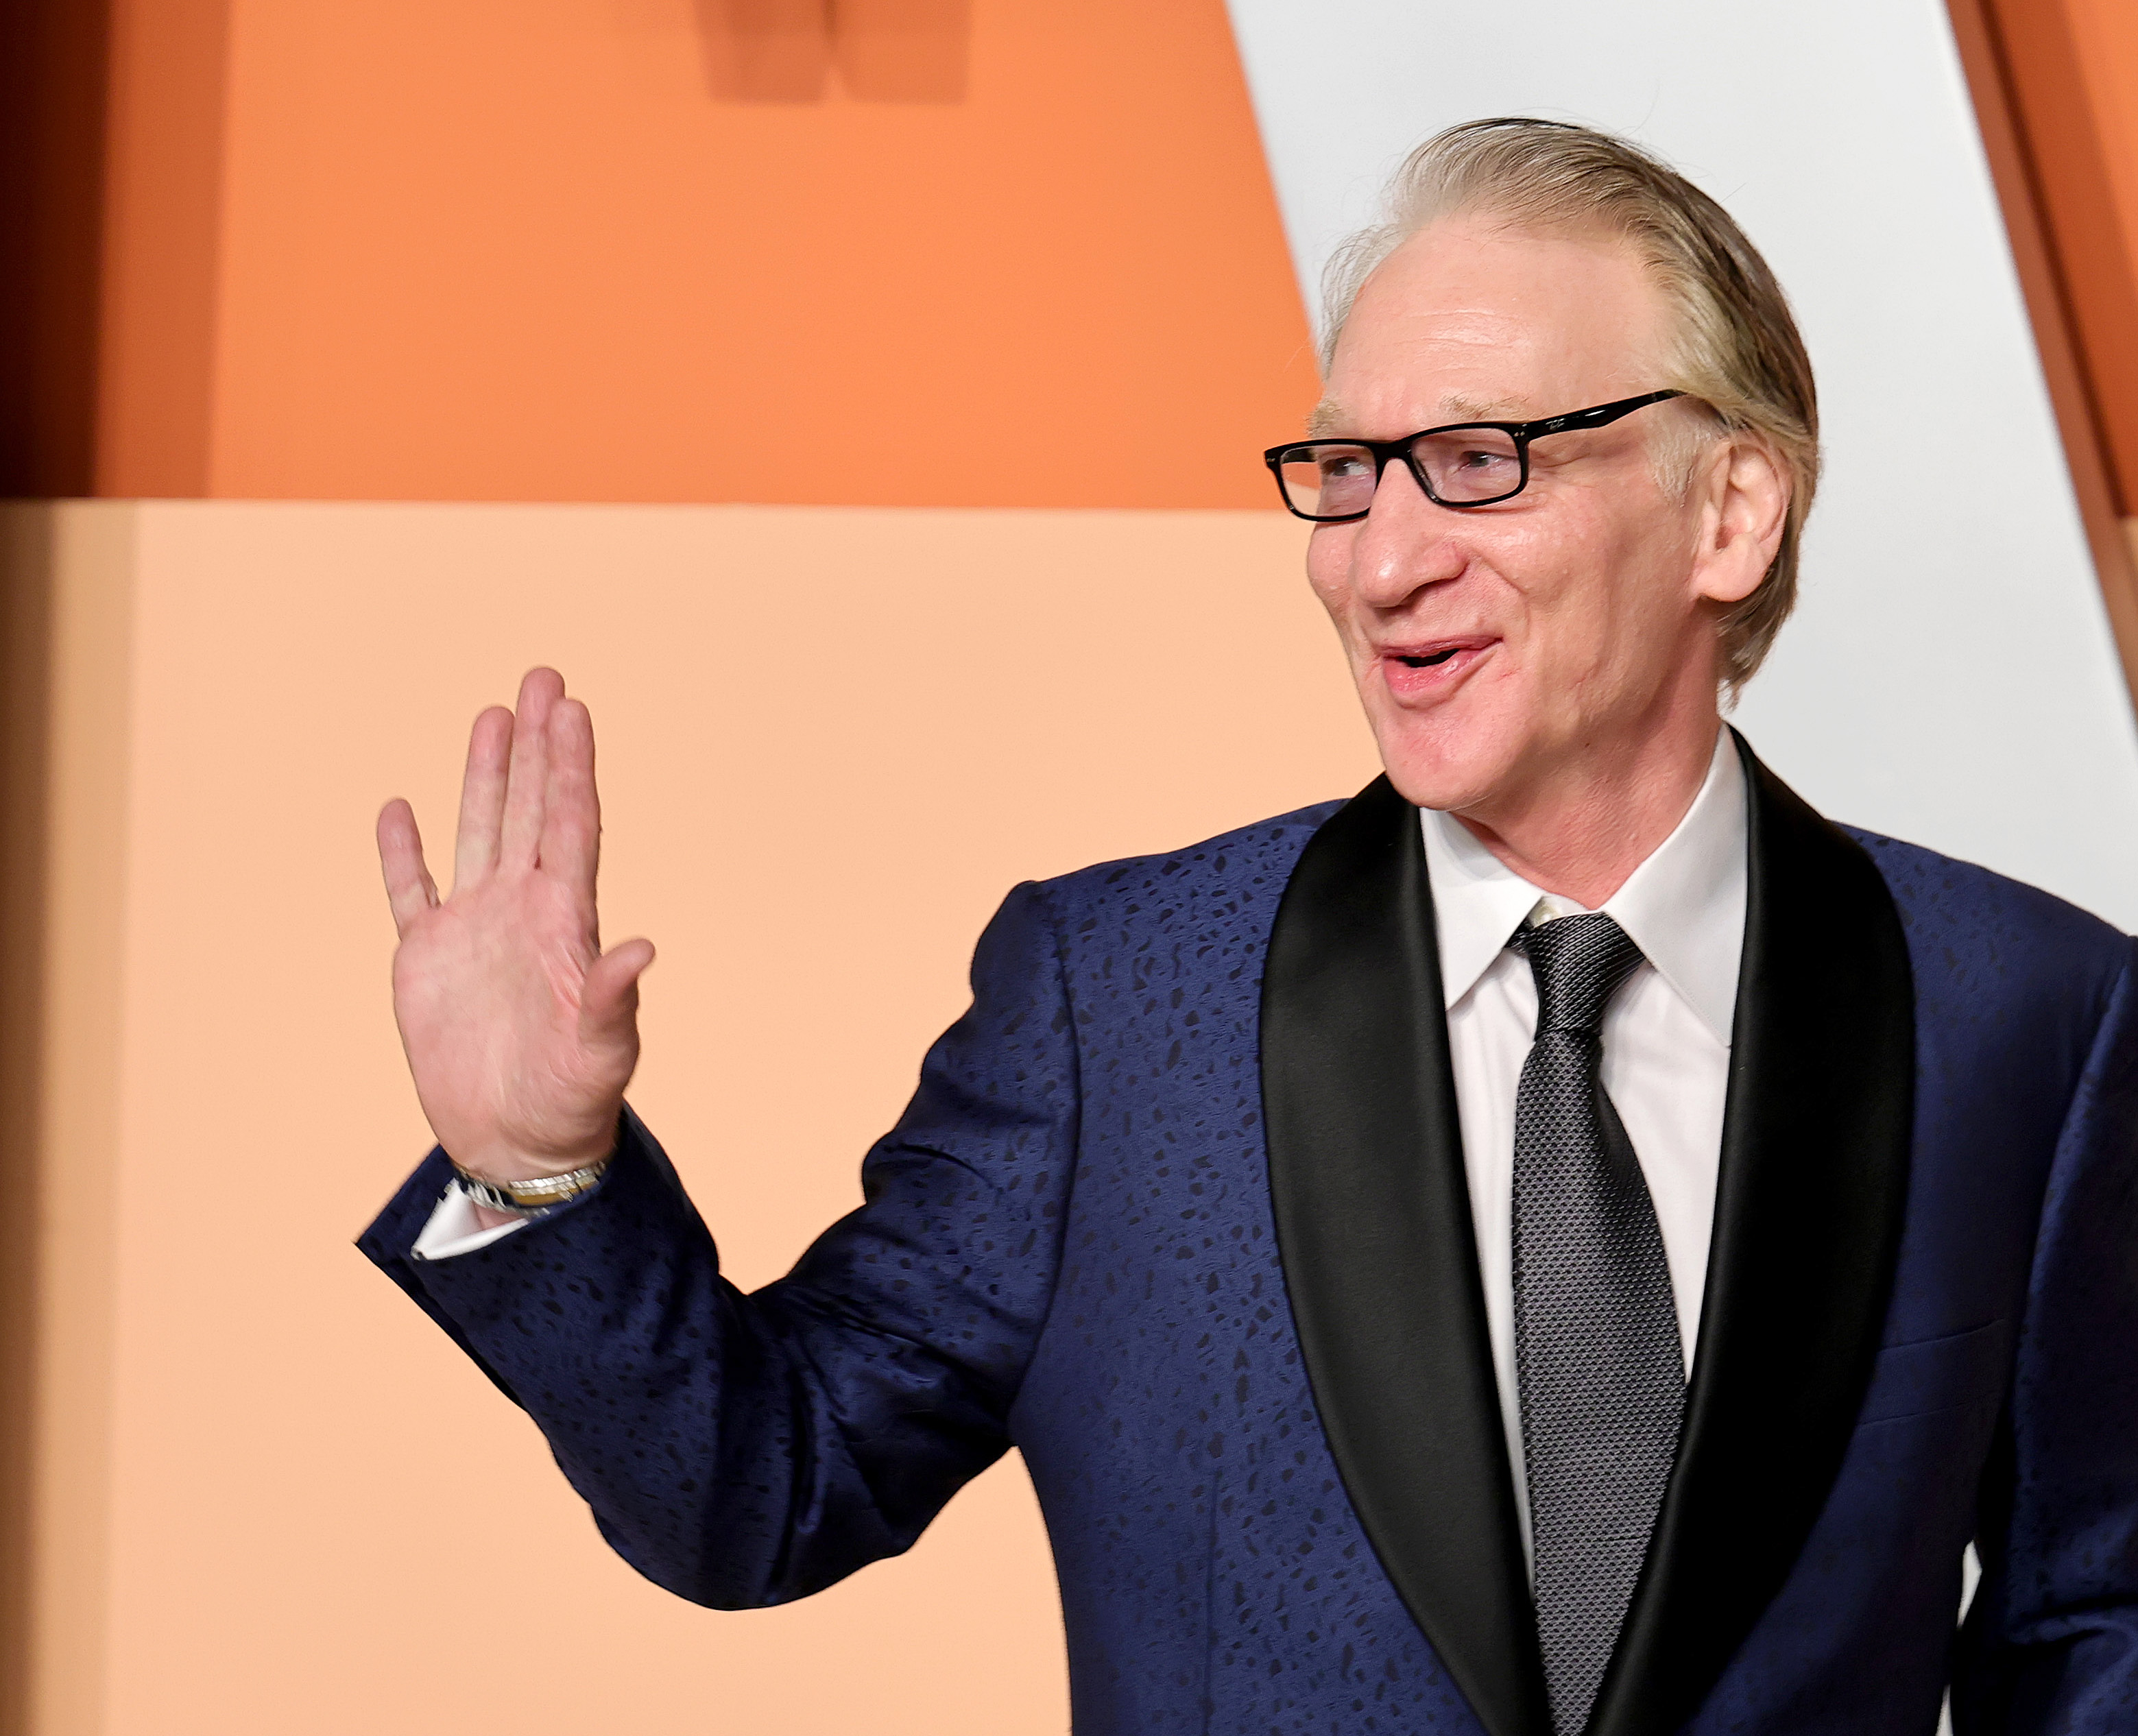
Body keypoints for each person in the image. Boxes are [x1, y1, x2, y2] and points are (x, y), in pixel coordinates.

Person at [359, 119, 2138, 1736]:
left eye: (1474, 461)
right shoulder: (1109, 1007)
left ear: (1729, 511)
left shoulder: (2033, 1023)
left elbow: (2095, 1624)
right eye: (1347, 472)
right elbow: (763, 1483)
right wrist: (536, 1173)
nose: (1374, 561)